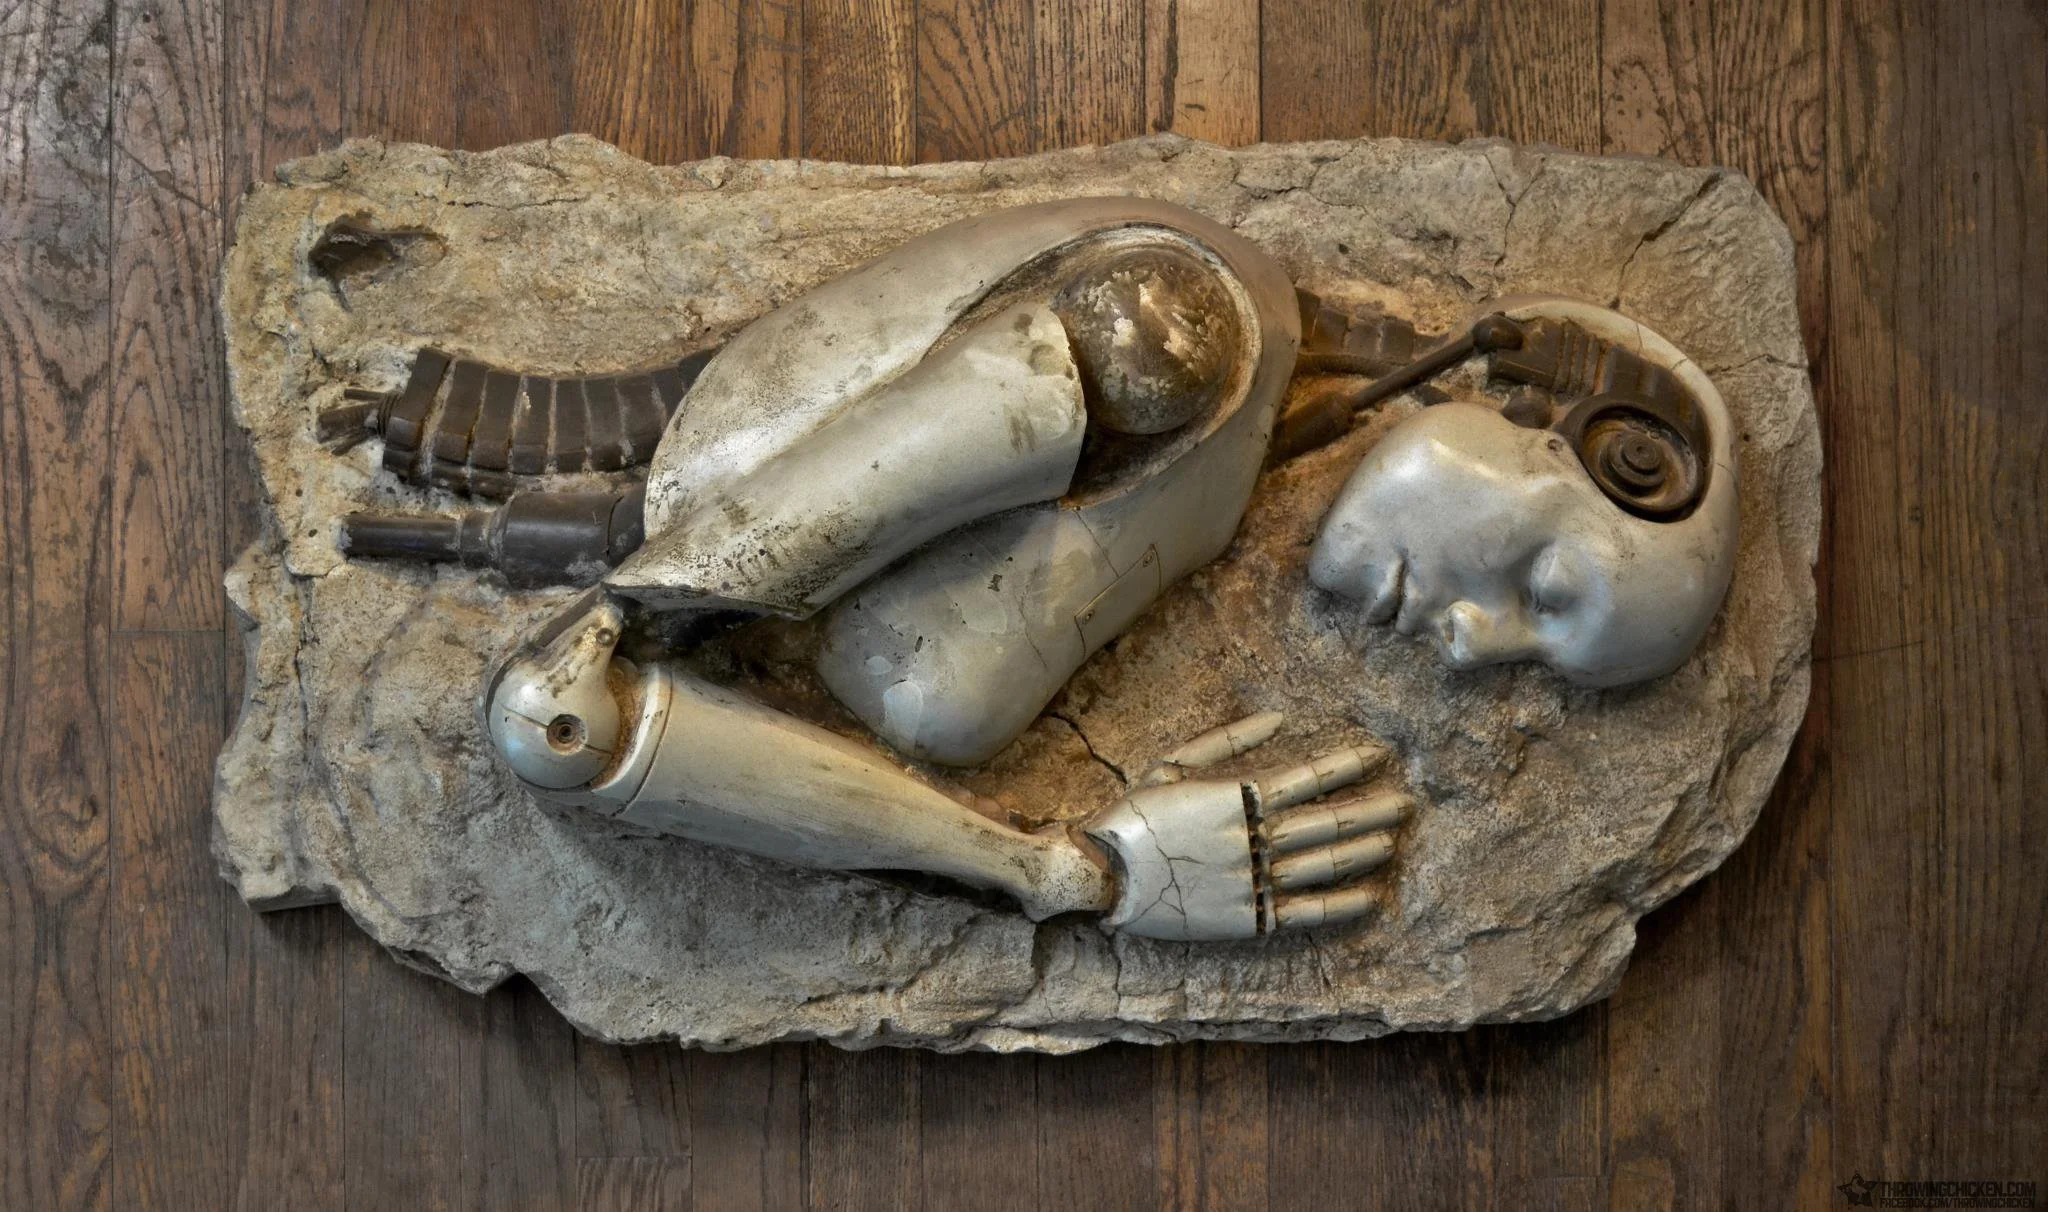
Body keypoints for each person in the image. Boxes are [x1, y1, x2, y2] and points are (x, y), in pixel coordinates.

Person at [354, 200, 1738, 942]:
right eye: (1548, 589)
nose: (1481, 641)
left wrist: (1079, 873)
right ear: (1558, 421)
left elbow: (573, 733)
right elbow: (562, 705)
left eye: (1533, 658)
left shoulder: (1228, 484)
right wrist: (1052, 873)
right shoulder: (1189, 334)